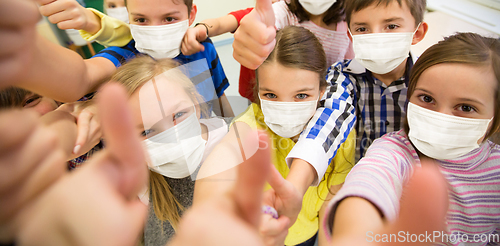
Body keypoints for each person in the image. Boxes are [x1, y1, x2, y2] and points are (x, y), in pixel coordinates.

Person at [228, 0, 428, 235]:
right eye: (362, 28)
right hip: (354, 197)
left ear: (418, 32)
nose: (377, 36)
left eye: (391, 26)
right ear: (351, 35)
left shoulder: (429, 82)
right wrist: (294, 187)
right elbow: (327, 122)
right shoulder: (341, 78)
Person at [324, 32, 500, 245]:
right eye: (427, 98)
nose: (440, 117)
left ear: (495, 120)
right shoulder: (393, 151)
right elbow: (367, 187)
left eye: (465, 107)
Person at [194, 26, 356, 246]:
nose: (286, 107)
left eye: (301, 95)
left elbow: (331, 199)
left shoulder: (339, 135)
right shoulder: (250, 126)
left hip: (309, 234)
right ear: (258, 90)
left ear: (322, 91)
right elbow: (216, 172)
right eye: (271, 95)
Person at [37, 0, 234, 117]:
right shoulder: (125, 56)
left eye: (169, 19)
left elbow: (218, 95)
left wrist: (231, 130)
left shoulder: (203, 46)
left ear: (191, 15)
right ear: (128, 17)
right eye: (141, 20)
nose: (155, 30)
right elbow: (81, 77)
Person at [111, 56, 229, 245]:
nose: (172, 139)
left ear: (196, 102)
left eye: (178, 115)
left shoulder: (236, 140)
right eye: (147, 131)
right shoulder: (139, 181)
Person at [182, 0, 353, 102]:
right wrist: (202, 28)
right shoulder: (281, 11)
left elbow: (345, 70)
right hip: (266, 99)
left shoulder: (348, 23)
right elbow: (232, 21)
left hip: (315, 100)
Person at [0, 87, 103, 170]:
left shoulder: (87, 110)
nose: (28, 117)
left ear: (56, 98)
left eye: (30, 101)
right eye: (8, 116)